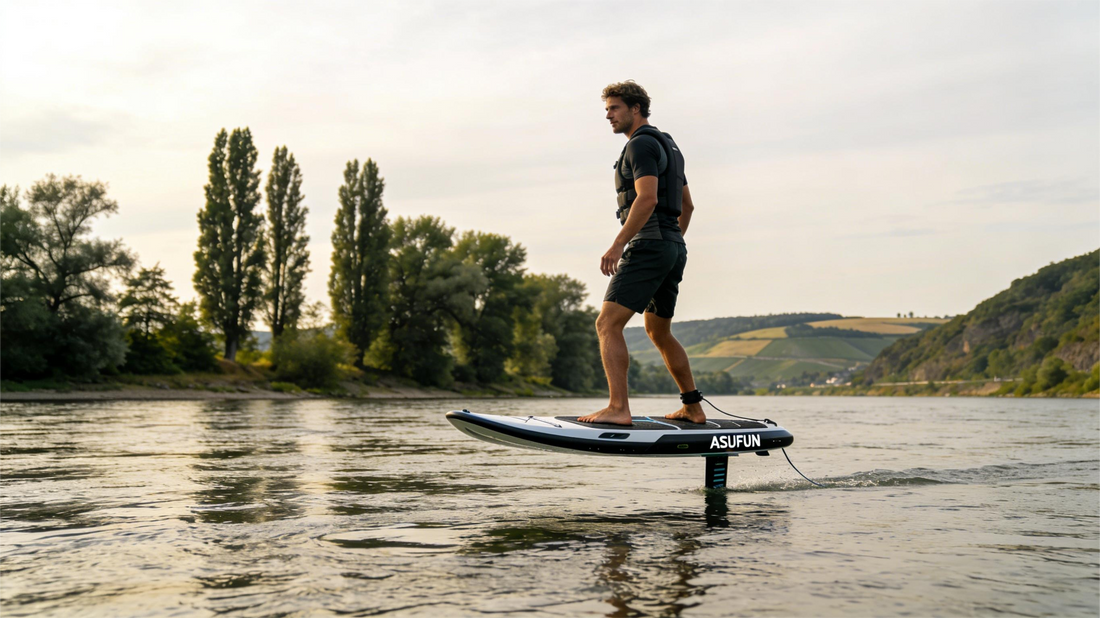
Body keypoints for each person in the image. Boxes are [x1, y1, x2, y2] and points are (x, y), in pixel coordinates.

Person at [578, 80, 705, 426]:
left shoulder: (640, 146)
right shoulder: (670, 146)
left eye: (614, 108)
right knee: (658, 332)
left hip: (649, 245)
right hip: (673, 246)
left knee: (607, 323)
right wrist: (671, 243)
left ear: (635, 109)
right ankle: (693, 407)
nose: (608, 116)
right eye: (606, 110)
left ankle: (618, 408)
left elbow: (647, 198)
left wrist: (619, 244)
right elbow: (687, 206)